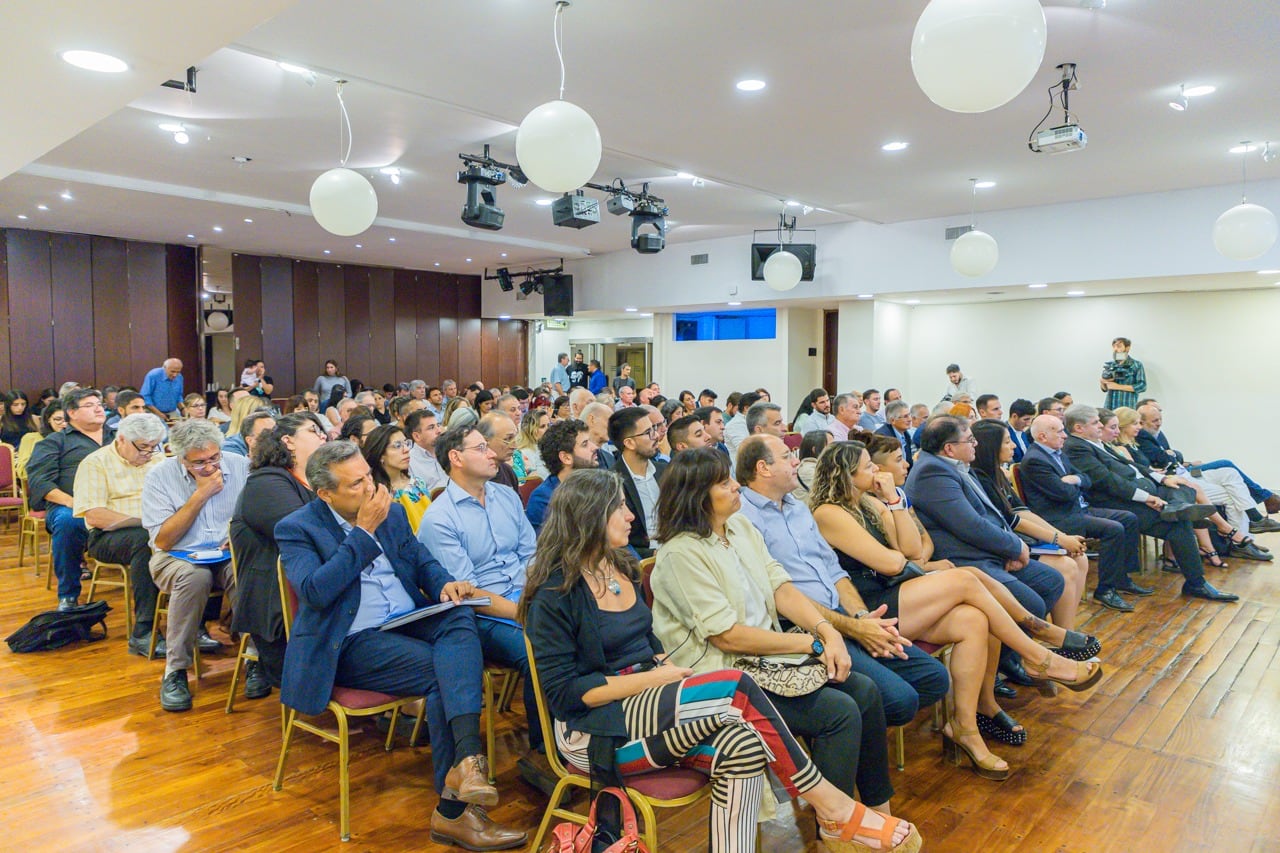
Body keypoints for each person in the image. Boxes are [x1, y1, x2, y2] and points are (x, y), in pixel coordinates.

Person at [520, 469, 922, 853]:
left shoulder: (620, 565)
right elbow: (568, 695)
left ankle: (827, 813)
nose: (630, 515)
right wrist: (659, 679)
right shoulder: (555, 593)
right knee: (732, 684)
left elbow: (646, 641)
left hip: (648, 705)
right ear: (589, 516)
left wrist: (661, 668)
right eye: (619, 507)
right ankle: (833, 807)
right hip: (594, 732)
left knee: (743, 745)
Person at [276, 441, 525, 850]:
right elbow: (316, 592)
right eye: (356, 484)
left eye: (369, 477)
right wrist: (362, 533)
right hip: (351, 640)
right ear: (326, 494)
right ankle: (454, 809)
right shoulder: (297, 527)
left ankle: (465, 767)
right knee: (444, 671)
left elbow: (420, 558)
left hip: (405, 622)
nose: (370, 489)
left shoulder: (390, 511)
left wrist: (444, 581)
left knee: (460, 612)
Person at [802, 438, 1101, 774]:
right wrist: (907, 556)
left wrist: (893, 502)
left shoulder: (870, 504)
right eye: (868, 466)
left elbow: (911, 550)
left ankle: (965, 727)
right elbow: (889, 563)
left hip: (902, 590)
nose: (877, 471)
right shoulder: (828, 512)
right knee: (966, 578)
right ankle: (1038, 652)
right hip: (872, 606)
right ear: (846, 473)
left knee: (974, 619)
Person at [649, 449, 905, 835]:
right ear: (696, 495)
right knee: (838, 713)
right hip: (722, 676)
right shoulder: (680, 553)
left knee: (866, 693)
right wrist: (810, 646)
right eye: (723, 482)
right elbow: (727, 636)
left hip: (768, 659)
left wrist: (827, 630)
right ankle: (834, 825)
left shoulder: (739, 528)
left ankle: (876, 812)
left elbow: (781, 587)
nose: (736, 485)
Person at [737, 435, 951, 733]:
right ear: (764, 468)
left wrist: (862, 618)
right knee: (899, 700)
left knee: (934, 677)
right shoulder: (743, 518)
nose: (796, 461)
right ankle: (839, 725)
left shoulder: (797, 508)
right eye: (787, 456)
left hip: (844, 612)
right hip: (802, 624)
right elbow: (776, 592)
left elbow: (834, 571)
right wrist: (852, 628)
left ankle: (852, 723)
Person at [905, 416, 1066, 685]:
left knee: (1051, 581)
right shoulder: (932, 473)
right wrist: (1014, 546)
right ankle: (994, 675)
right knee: (1032, 603)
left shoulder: (957, 467)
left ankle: (1007, 659)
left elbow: (994, 517)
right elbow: (970, 526)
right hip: (966, 561)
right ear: (948, 448)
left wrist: (1010, 549)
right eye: (969, 440)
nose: (975, 444)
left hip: (987, 553)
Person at [418, 425, 544, 757]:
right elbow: (468, 594)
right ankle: (546, 753)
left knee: (590, 625)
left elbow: (531, 556)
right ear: (456, 458)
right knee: (542, 648)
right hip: (483, 615)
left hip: (526, 596)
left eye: (489, 446)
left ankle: (589, 731)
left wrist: (541, 600)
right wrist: (526, 613)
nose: (492, 454)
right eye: (481, 448)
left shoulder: (505, 496)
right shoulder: (440, 519)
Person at [1061, 404, 1238, 602]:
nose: (1100, 427)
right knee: (1179, 525)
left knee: (1183, 487)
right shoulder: (1076, 447)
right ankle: (1196, 582)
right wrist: (1147, 497)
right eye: (1096, 423)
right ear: (1079, 428)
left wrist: (1162, 479)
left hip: (1140, 490)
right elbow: (1107, 481)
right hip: (1118, 502)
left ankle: (1178, 508)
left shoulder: (1095, 443)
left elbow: (1133, 465)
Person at [143, 419, 250, 711]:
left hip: (227, 553)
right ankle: (175, 671)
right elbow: (163, 540)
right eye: (199, 462)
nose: (210, 467)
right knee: (194, 578)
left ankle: (255, 657)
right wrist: (200, 495)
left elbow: (253, 516)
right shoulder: (160, 476)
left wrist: (239, 536)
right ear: (180, 458)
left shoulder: (239, 465)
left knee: (246, 572)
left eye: (214, 458)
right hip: (177, 556)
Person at [229, 413, 327, 694]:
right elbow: (306, 534)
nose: (323, 436)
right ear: (288, 441)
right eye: (313, 430)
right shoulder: (267, 481)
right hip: (280, 608)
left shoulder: (316, 481)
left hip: (316, 591)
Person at [1020, 414, 1148, 612]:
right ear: (1043, 437)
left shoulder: (1059, 453)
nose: (1065, 435)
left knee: (1128, 518)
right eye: (1060, 431)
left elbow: (1086, 480)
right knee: (1113, 529)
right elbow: (1063, 494)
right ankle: (1105, 590)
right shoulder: (1035, 460)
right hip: (1059, 517)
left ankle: (1121, 578)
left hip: (1078, 508)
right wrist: (1075, 484)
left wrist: (1075, 480)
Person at [969, 420, 1090, 629]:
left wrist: (1062, 537)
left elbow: (1023, 511)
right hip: (1010, 545)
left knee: (1081, 559)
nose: (1014, 446)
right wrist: (1059, 539)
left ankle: (1067, 630)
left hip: (1021, 538)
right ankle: (1062, 636)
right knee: (1067, 566)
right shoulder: (981, 478)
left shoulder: (998, 473)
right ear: (991, 447)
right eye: (1007, 442)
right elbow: (1013, 521)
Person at [73, 412, 167, 653]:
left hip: (159, 528)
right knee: (146, 542)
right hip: (107, 536)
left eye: (153, 447)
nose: (148, 453)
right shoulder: (96, 463)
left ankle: (198, 626)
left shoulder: (159, 460)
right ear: (122, 439)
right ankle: (144, 631)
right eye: (143, 447)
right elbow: (95, 515)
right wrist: (142, 521)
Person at [27, 388, 114, 610]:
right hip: (70, 506)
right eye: (89, 405)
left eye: (99, 403)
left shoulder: (120, 439)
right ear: (72, 413)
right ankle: (68, 595)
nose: (98, 408)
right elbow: (40, 482)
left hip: (117, 504)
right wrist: (73, 502)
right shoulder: (54, 442)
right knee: (68, 520)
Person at [1135, 403, 1280, 534]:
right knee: (1226, 464)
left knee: (1229, 471)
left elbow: (1173, 456)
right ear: (1141, 421)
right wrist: (1176, 457)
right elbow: (1165, 458)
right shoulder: (1143, 435)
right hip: (1188, 472)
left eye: (1160, 414)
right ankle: (1260, 508)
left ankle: (1255, 519)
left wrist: (1176, 457)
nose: (1159, 422)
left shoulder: (1158, 434)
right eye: (1155, 418)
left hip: (1186, 469)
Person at [608, 407, 666, 558]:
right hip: (639, 559)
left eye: (654, 429)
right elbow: (615, 541)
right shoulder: (612, 482)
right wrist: (653, 554)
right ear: (629, 443)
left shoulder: (665, 471)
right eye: (648, 432)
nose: (656, 436)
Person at [525, 418, 597, 534]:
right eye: (585, 444)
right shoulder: (544, 499)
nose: (594, 447)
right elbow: (552, 548)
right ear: (566, 457)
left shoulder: (596, 485)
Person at [363, 424, 433, 533]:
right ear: (380, 454)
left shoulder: (417, 483)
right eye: (397, 445)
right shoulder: (377, 495)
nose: (406, 450)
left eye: (406, 443)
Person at [17, 403, 65, 478]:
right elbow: (23, 472)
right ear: (48, 419)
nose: (64, 424)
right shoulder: (32, 438)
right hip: (42, 483)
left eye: (68, 420)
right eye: (58, 419)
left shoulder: (78, 438)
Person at [405, 409, 447, 493]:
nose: (439, 431)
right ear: (417, 436)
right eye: (431, 427)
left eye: (438, 425)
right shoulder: (409, 462)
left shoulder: (448, 450)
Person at [476, 413, 521, 489]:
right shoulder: (475, 477)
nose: (514, 446)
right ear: (485, 441)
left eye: (515, 439)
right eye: (508, 439)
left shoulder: (508, 471)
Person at [1101, 336, 1146, 410]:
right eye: (1114, 347)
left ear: (1127, 348)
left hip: (1127, 405)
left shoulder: (1136, 365)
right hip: (1110, 406)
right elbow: (1104, 389)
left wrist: (1118, 386)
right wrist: (1102, 382)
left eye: (1119, 346)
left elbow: (1142, 386)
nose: (1115, 349)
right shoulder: (1110, 365)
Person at [875, 400, 915, 469]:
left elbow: (909, 463)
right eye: (905, 416)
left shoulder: (906, 434)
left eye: (909, 415)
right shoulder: (883, 437)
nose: (910, 419)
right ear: (892, 420)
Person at [792, 430, 830, 501]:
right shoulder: (808, 470)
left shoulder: (820, 466)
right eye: (830, 446)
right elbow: (830, 495)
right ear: (815, 450)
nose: (835, 450)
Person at [513, 409, 550, 481]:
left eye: (548, 425)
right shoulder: (523, 453)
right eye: (542, 426)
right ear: (530, 429)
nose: (548, 429)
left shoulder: (550, 448)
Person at [1005, 398, 1035, 462]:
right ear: (1014, 416)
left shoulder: (1023, 432)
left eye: (1031, 419)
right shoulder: (1004, 432)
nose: (1029, 423)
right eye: (1026, 419)